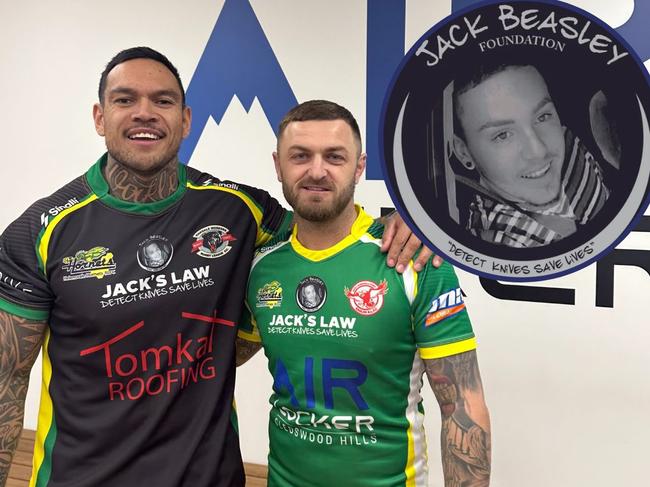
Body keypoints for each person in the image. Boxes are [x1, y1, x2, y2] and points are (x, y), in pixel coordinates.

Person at [0, 48, 436, 487]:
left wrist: (402, 221)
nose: (145, 113)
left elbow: (328, 228)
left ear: (186, 119)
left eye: (163, 101)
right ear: (99, 117)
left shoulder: (239, 210)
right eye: (125, 99)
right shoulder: (38, 231)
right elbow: (7, 385)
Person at [237, 100, 491, 486]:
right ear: (278, 165)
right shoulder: (261, 266)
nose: (317, 171)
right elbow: (223, 356)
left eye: (335, 157)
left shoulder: (413, 261)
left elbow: (463, 409)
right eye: (300, 156)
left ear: (359, 167)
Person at [452, 62, 610, 247]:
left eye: (542, 117)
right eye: (502, 135)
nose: (539, 151)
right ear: (464, 153)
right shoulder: (498, 241)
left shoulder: (570, 142)